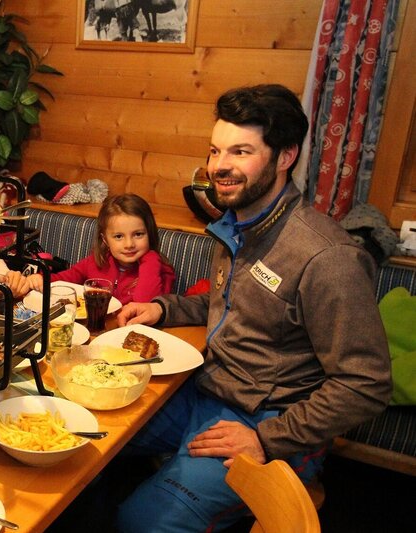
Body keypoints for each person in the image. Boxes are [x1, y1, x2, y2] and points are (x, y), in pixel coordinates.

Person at [114, 84, 392, 532]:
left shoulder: (328, 257)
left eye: (241, 151)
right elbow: (233, 302)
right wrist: (163, 309)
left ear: (285, 157)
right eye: (215, 150)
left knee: (142, 522)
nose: (220, 166)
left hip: (269, 422)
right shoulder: (237, 224)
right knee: (95, 436)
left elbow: (366, 383)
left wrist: (267, 438)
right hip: (203, 390)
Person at [4, 193, 175, 304]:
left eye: (138, 234)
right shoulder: (96, 262)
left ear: (150, 233)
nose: (129, 244)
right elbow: (64, 279)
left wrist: (151, 258)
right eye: (118, 236)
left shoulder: (159, 270)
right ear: (105, 240)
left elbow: (144, 305)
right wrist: (40, 279)